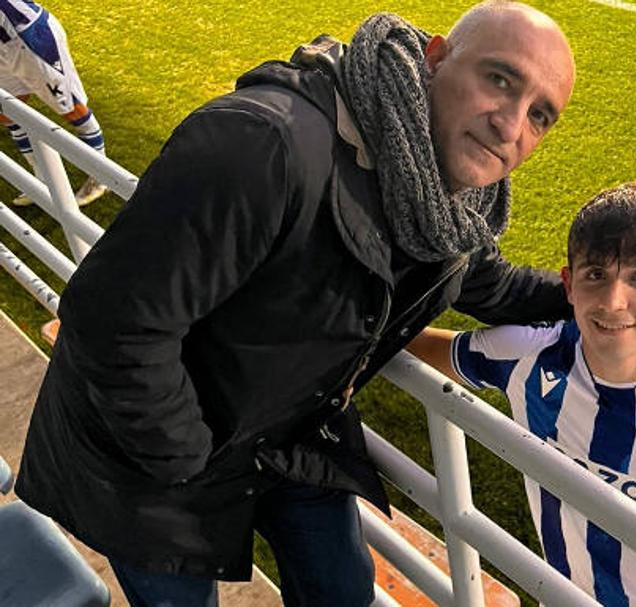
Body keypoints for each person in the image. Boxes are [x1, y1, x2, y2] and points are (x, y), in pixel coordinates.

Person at [15, 2, 576, 605]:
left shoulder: (445, 211)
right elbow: (112, 324)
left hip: (285, 434)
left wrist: (603, 303)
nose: (511, 124)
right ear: (434, 60)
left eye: (540, 115)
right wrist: (185, 455)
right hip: (153, 459)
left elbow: (497, 287)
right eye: (499, 80)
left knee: (341, 593)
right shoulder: (263, 143)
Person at [409, 183, 636, 606]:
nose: (613, 301)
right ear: (568, 284)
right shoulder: (527, 355)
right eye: (596, 275)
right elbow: (416, 345)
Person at [0, 0, 107, 206]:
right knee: (6, 111)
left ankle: (100, 178)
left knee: (71, 108)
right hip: (5, 43)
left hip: (31, 38)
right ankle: (43, 181)